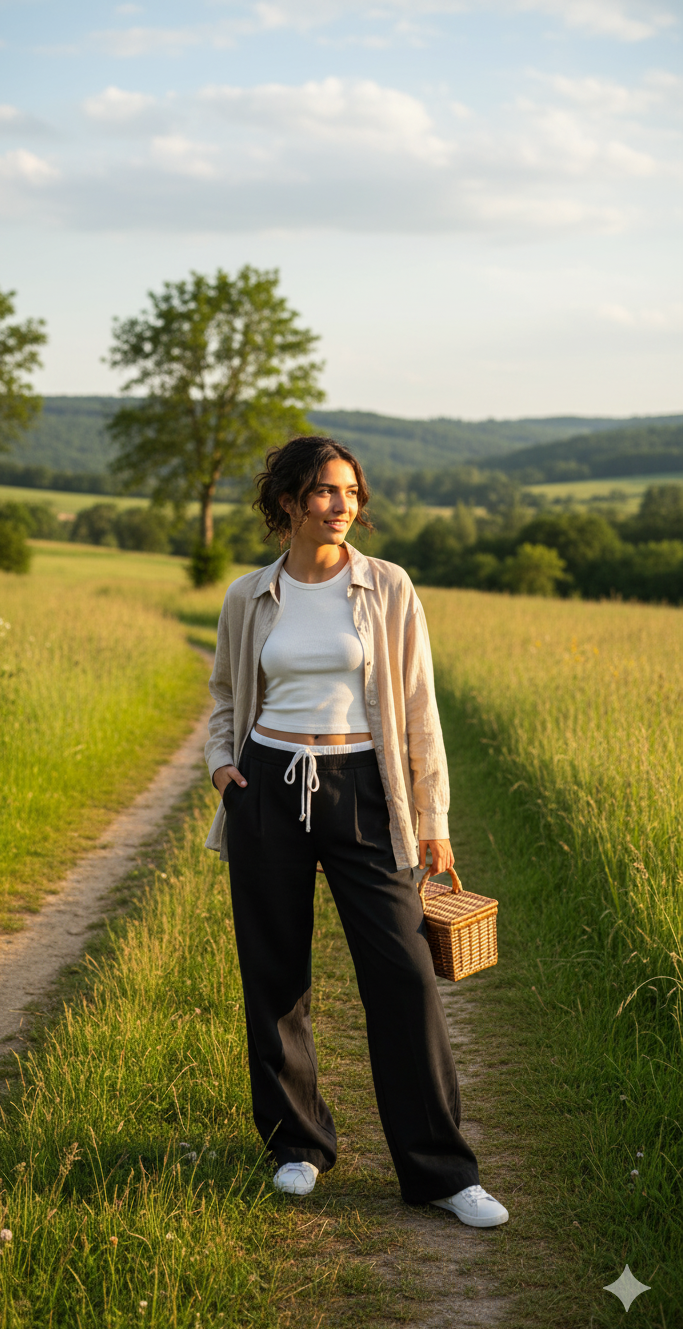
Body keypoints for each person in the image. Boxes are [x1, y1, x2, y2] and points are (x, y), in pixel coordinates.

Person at [203, 435, 508, 1229]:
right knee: (274, 977)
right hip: (268, 789)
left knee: (404, 979)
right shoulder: (249, 596)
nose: (342, 507)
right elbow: (226, 696)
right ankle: (296, 1147)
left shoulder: (388, 588)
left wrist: (433, 817)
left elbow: (418, 708)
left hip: (368, 792)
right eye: (324, 492)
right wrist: (220, 767)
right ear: (289, 504)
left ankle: (442, 1170)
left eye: (350, 493)